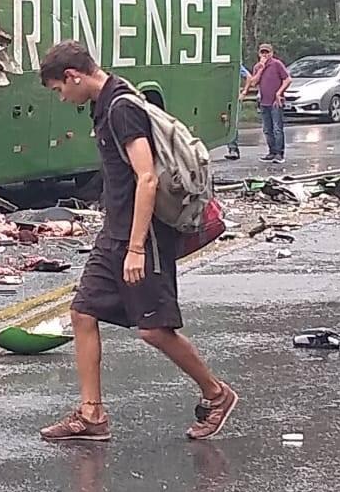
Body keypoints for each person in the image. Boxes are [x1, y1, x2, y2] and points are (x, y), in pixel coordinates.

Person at [36, 40, 238, 443]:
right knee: (82, 312)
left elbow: (147, 178)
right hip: (114, 231)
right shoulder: (106, 102)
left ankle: (217, 394)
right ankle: (92, 415)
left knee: (154, 330)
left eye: (59, 89)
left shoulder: (122, 108)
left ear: (74, 76)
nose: (62, 98)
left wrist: (136, 248)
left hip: (141, 236)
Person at [241, 43, 291, 163]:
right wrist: (261, 68)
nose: (265, 55)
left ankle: (279, 153)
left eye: (267, 52)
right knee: (267, 129)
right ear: (259, 54)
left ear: (271, 53)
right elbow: (253, 83)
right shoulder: (258, 67)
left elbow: (288, 79)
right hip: (264, 101)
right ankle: (271, 151)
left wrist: (279, 93)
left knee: (277, 128)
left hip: (275, 101)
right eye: (262, 53)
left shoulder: (277, 64)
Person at [224, 64, 251, 160]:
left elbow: (248, 77)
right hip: (219, 95)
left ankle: (233, 149)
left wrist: (244, 92)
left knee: (232, 122)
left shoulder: (236, 65)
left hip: (233, 97)